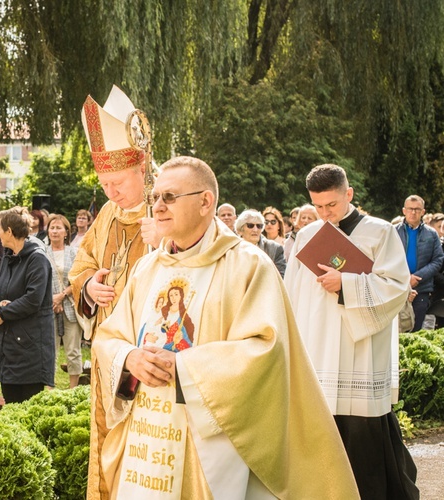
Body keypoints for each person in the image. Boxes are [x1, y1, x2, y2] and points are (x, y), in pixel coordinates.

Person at [94, 156, 358, 498]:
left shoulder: (248, 266)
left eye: (170, 197)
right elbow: (111, 336)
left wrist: (184, 367)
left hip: (210, 442)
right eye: (155, 198)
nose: (157, 207)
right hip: (146, 436)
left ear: (206, 202)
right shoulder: (148, 268)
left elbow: (266, 348)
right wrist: (130, 359)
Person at [284, 164, 418, 499]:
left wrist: (346, 284)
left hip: (358, 347)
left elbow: (396, 286)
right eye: (317, 206)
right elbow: (293, 294)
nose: (325, 214)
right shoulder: (306, 235)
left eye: (332, 205)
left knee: (363, 434)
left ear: (349, 194)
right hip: (317, 345)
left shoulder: (380, 232)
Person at [68, 85, 159, 500]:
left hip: (152, 352)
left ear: (142, 167)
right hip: (110, 354)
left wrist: (163, 243)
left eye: (117, 181)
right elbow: (82, 262)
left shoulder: (170, 209)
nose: (110, 192)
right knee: (109, 442)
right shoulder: (106, 213)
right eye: (104, 183)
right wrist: (89, 284)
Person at [0, 209, 54, 403]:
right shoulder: (8, 257)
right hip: (9, 350)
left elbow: (33, 300)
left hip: (31, 349)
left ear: (8, 231)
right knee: (11, 405)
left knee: (28, 409)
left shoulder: (37, 258)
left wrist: (3, 311)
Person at [394, 195, 444, 332]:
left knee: (416, 330)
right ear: (404, 210)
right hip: (396, 287)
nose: (413, 212)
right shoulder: (393, 231)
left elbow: (438, 259)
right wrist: (405, 278)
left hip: (421, 289)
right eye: (410, 209)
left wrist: (417, 277)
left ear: (423, 212)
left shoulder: (432, 234)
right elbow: (386, 258)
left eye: (417, 209)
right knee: (396, 330)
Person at [46, 214, 81, 388]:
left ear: (66, 232)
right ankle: (49, 387)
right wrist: (52, 299)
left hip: (70, 306)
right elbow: (38, 280)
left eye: (58, 228)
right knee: (49, 351)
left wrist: (62, 296)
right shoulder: (42, 253)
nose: (55, 231)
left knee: (73, 350)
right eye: (52, 228)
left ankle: (73, 388)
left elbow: (78, 279)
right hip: (48, 306)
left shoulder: (74, 253)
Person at [235, 209, 286, 277]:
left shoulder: (275, 248)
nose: (255, 230)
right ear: (240, 230)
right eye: (250, 225)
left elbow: (280, 278)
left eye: (259, 226)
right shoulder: (232, 250)